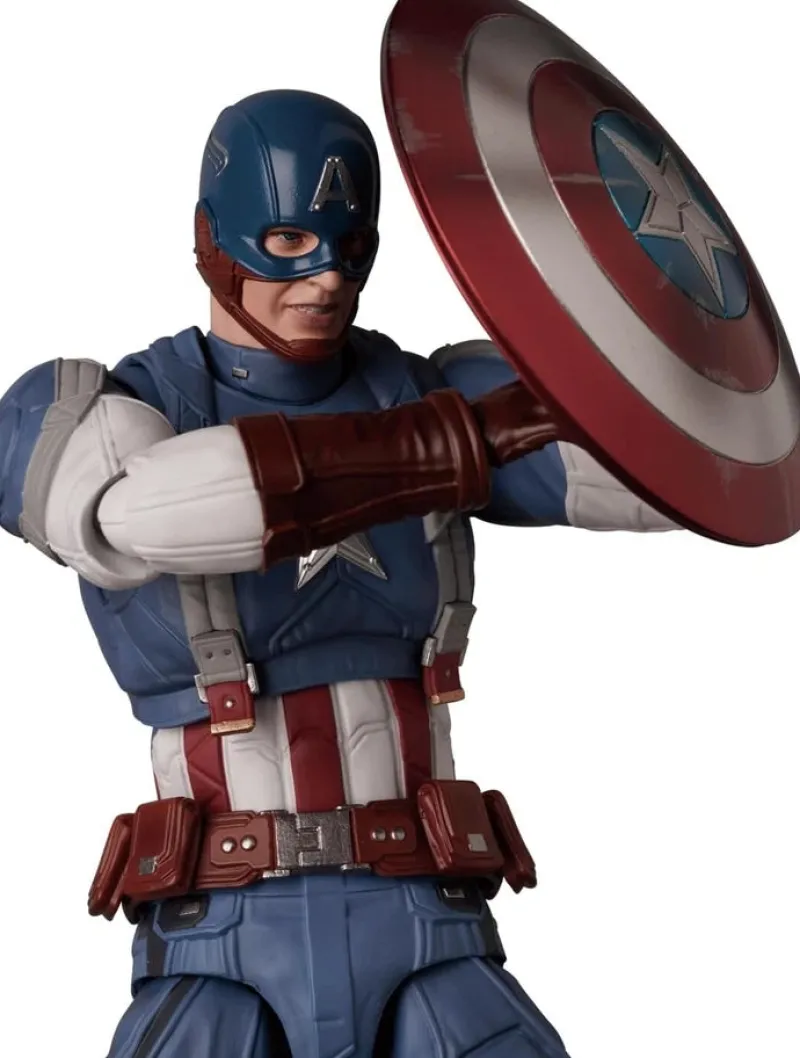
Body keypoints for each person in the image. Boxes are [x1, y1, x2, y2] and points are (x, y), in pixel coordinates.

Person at [0, 90, 674, 1058]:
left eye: (347, 247)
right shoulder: (98, 405)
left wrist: (665, 305)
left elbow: (676, 467)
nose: (323, 277)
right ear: (212, 239)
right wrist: (443, 447)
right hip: (222, 937)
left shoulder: (437, 389)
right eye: (286, 241)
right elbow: (130, 514)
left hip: (429, 921)